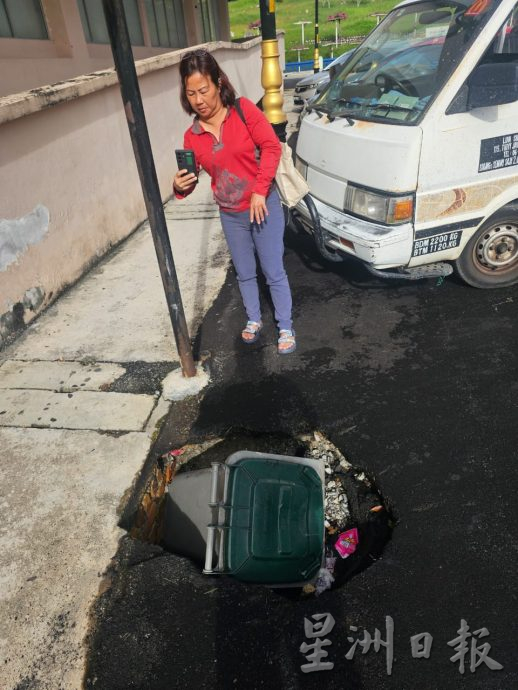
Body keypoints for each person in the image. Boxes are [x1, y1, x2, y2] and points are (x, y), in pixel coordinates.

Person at [173, 49, 296, 354]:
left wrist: (258, 189)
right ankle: (254, 318)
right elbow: (193, 179)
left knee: (273, 270)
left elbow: (271, 147)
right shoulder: (194, 136)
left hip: (262, 206)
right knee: (244, 272)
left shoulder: (243, 111)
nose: (198, 100)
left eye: (203, 90)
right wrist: (179, 186)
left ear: (218, 83)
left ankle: (285, 325)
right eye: (191, 94)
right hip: (230, 214)